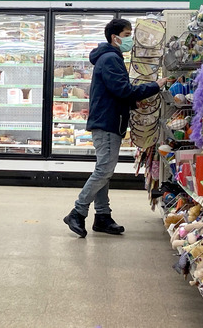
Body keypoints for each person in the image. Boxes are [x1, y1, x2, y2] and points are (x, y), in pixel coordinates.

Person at [63, 18, 167, 238]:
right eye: (127, 34)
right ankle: (77, 211)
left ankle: (102, 216)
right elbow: (123, 89)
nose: (130, 39)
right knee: (104, 170)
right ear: (115, 37)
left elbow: (116, 92)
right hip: (108, 122)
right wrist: (154, 86)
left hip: (108, 119)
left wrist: (131, 102)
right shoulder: (110, 58)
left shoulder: (109, 57)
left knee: (104, 170)